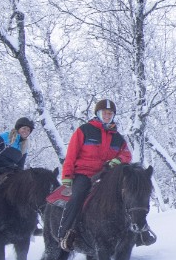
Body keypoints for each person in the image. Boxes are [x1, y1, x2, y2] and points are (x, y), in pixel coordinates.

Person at [56, 99, 134, 248]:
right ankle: (65, 233)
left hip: (106, 176)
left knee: (127, 197)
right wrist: (67, 176)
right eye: (104, 113)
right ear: (98, 113)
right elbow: (71, 154)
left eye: (110, 113)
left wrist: (118, 160)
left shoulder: (117, 137)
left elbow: (127, 154)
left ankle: (136, 232)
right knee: (77, 196)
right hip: (84, 175)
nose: (107, 116)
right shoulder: (84, 130)